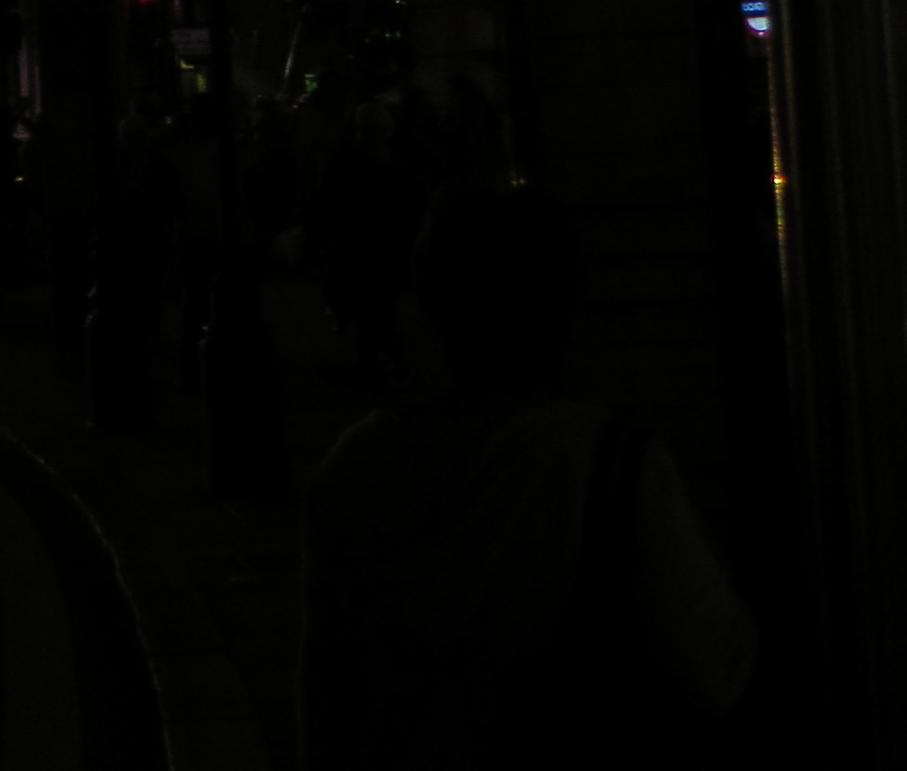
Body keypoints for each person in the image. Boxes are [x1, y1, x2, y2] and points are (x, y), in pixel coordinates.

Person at [299, 189, 755, 762]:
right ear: (564, 304)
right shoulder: (609, 464)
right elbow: (712, 672)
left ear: (432, 304)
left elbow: (327, 697)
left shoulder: (355, 466)